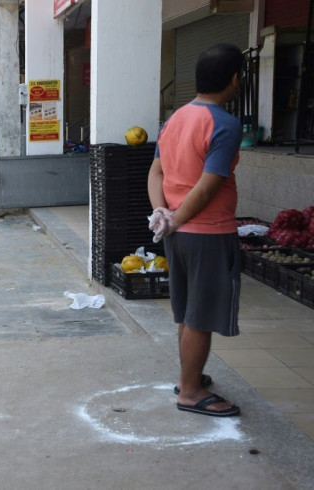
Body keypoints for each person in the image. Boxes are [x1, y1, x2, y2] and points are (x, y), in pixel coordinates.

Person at [147, 43, 244, 417]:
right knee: (200, 316)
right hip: (207, 233)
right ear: (234, 80)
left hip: (177, 233)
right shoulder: (225, 123)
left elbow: (156, 172)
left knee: (188, 313)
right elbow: (207, 186)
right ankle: (189, 391)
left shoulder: (174, 119)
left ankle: (191, 376)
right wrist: (177, 217)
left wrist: (164, 213)